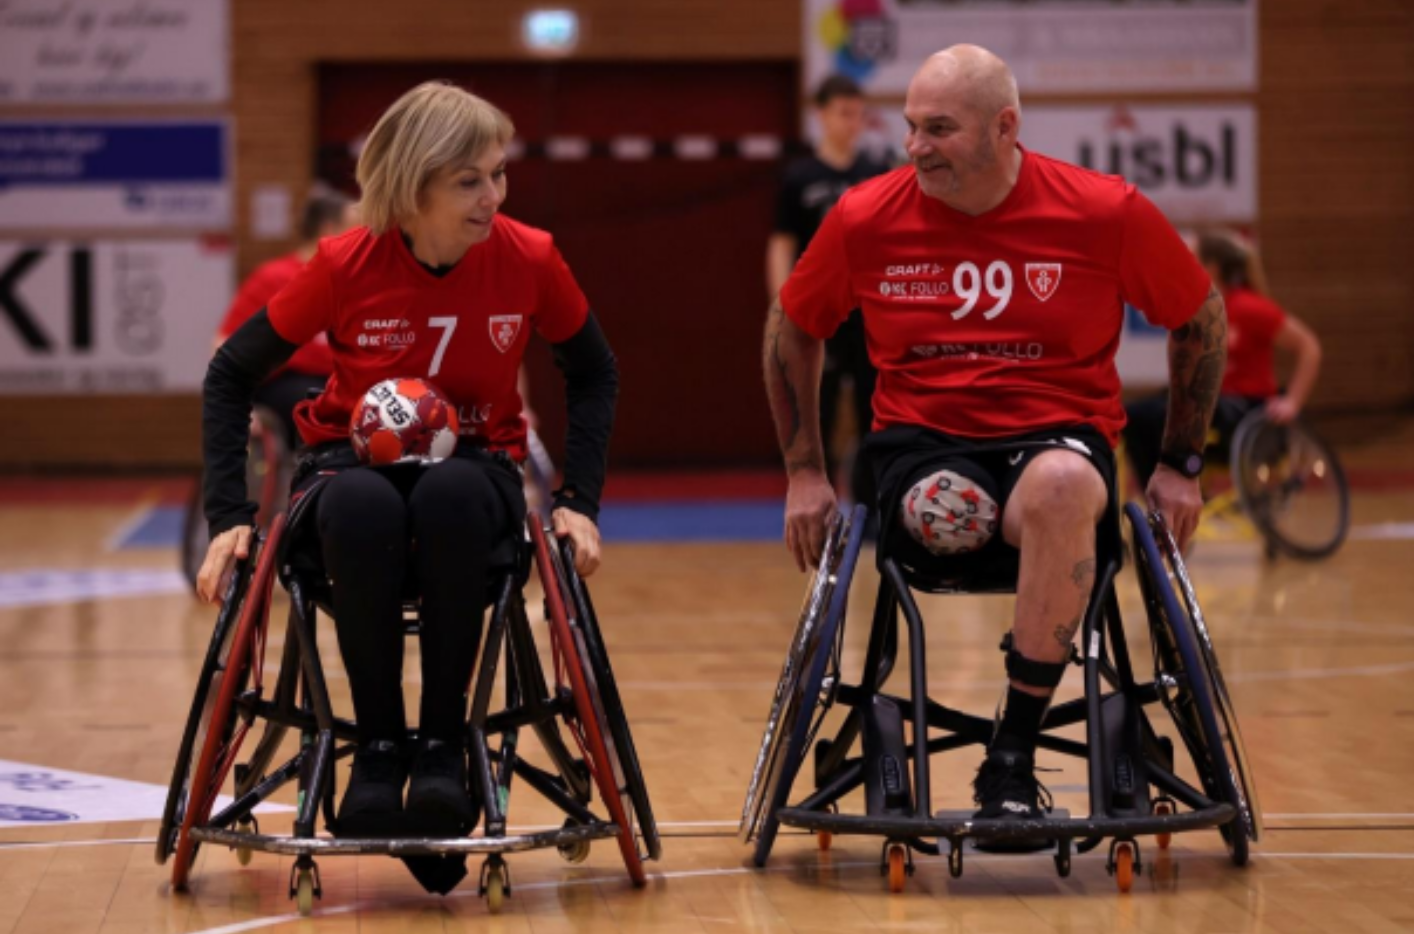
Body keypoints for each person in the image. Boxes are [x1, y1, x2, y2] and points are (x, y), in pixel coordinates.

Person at [762, 45, 1226, 828]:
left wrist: (1180, 461)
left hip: (1056, 440)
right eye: (910, 127)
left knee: (1064, 488)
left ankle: (1011, 754)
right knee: (957, 507)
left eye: (938, 128)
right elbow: (792, 327)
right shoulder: (865, 215)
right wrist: (805, 471)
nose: (915, 147)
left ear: (1005, 127)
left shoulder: (1102, 210)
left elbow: (1199, 316)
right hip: (922, 444)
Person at [197, 82, 618, 889]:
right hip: (349, 472)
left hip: (476, 474)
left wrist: (578, 502)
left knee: (452, 494)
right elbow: (230, 374)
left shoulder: (529, 255)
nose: (493, 195)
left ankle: (443, 746)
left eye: (498, 174)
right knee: (359, 501)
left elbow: (594, 372)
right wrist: (230, 514)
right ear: (414, 184)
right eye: (470, 180)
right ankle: (378, 747)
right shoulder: (345, 262)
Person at [767, 75, 891, 508]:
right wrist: (783, 308)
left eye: (857, 114)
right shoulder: (800, 177)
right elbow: (782, 242)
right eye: (842, 112)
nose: (851, 122)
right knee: (816, 410)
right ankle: (817, 506)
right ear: (820, 115)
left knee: (871, 410)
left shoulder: (876, 173)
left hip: (866, 314)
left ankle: (871, 511)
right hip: (819, 313)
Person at [1123, 229, 1323, 489]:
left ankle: (1171, 490)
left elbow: (1309, 347)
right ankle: (1157, 491)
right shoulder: (1203, 308)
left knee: (1161, 415)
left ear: (1212, 267)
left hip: (1243, 407)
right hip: (1214, 402)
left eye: (1191, 259)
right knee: (1135, 415)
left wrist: (1293, 401)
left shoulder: (1249, 307)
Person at [214, 187, 358, 449]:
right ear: (329, 229)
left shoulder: (358, 278)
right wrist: (240, 407)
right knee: (316, 403)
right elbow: (226, 344)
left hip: (343, 380)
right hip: (291, 384)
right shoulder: (273, 277)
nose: (364, 238)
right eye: (355, 229)